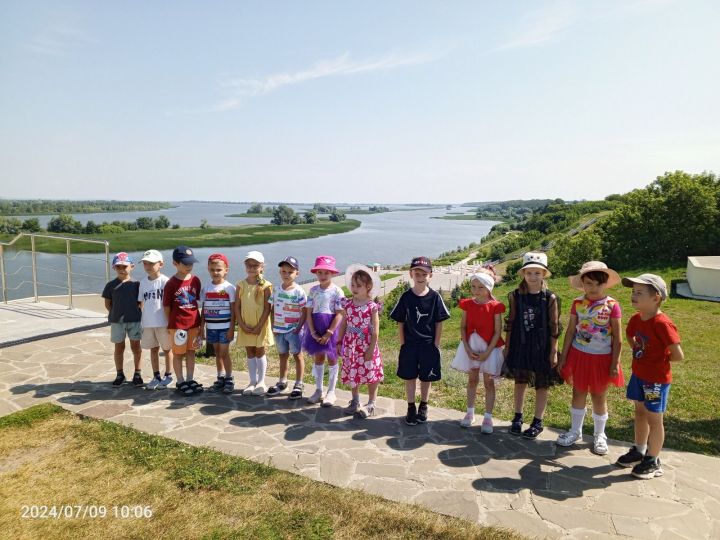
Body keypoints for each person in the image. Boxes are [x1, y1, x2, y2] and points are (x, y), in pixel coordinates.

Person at [616, 274, 683, 479]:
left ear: (656, 298)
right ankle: (640, 450)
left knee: (654, 419)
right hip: (639, 376)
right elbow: (629, 335)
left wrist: (657, 362)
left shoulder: (662, 323)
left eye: (639, 293)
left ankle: (653, 460)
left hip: (655, 382)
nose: (633, 296)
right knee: (639, 413)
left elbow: (678, 355)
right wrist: (639, 352)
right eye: (633, 292)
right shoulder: (637, 318)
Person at [556, 261, 624, 455]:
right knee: (578, 392)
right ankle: (575, 431)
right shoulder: (577, 303)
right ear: (582, 284)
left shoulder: (612, 306)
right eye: (588, 283)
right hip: (579, 356)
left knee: (598, 395)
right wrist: (564, 357)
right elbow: (570, 331)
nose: (593, 288)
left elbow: (618, 338)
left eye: (597, 284)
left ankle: (599, 434)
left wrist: (615, 362)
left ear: (605, 284)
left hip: (602, 358)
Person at [503, 252, 562, 439]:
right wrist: (507, 346)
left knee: (541, 384)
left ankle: (538, 421)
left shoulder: (550, 297)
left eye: (537, 273)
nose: (533, 277)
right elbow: (510, 322)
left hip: (542, 346)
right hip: (520, 344)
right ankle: (517, 417)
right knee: (519, 381)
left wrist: (553, 351)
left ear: (544, 274)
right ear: (523, 274)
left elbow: (555, 327)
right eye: (529, 273)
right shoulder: (515, 295)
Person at [390, 256, 450, 425]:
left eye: (424, 273)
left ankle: (423, 405)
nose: (420, 276)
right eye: (417, 272)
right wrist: (403, 343)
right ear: (411, 274)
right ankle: (410, 407)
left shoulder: (435, 297)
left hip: (428, 345)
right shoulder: (406, 297)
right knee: (409, 377)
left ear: (430, 275)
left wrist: (436, 344)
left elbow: (439, 321)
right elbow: (400, 320)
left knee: (426, 378)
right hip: (409, 345)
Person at [450, 268, 505, 433]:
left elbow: (497, 332)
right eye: (473, 287)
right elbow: (463, 326)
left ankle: (488, 417)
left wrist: (488, 352)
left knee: (489, 382)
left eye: (480, 287)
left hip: (489, 348)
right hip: (471, 347)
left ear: (489, 288)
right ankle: (469, 412)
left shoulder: (495, 307)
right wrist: (466, 347)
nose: (476, 291)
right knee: (472, 379)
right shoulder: (467, 305)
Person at [336, 264, 384, 418]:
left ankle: (371, 403)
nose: (354, 288)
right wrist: (339, 341)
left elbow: (376, 330)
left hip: (367, 345)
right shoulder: (348, 304)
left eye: (359, 286)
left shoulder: (372, 306)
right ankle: (355, 400)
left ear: (368, 287)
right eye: (352, 285)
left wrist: (371, 348)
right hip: (351, 345)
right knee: (352, 371)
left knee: (371, 373)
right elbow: (344, 323)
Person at [302, 255, 344, 406]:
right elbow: (308, 312)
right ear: (316, 273)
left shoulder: (337, 291)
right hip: (316, 327)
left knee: (332, 358)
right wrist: (312, 332)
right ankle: (318, 389)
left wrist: (330, 332)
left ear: (332, 274)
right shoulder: (313, 290)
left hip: (331, 328)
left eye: (326, 272)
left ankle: (331, 392)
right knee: (318, 358)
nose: (323, 276)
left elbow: (339, 313)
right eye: (320, 272)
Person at [163, 246, 203, 396]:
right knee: (178, 354)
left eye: (191, 263)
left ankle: (190, 379)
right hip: (177, 325)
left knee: (191, 352)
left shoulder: (196, 280)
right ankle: (180, 381)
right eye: (185, 263)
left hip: (193, 323)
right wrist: (170, 324)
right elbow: (166, 306)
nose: (189, 266)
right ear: (175, 263)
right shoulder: (171, 283)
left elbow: (196, 302)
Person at [267, 256, 307, 399]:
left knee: (297, 355)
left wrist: (299, 327)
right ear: (280, 272)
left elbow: (304, 311)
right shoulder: (276, 290)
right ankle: (282, 381)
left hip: (293, 330)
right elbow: (271, 308)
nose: (286, 274)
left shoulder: (299, 291)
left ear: (297, 273)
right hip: (279, 330)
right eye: (284, 271)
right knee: (282, 355)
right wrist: (273, 325)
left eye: (290, 272)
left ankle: (299, 383)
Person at [235, 250, 273, 396]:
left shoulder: (266, 286)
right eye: (249, 265)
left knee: (260, 351)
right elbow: (237, 307)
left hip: (260, 325)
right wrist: (241, 325)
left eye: (255, 265)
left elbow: (267, 308)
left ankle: (261, 381)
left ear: (261, 266)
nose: (251, 268)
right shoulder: (240, 285)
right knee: (249, 352)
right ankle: (252, 381)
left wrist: (258, 326)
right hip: (245, 324)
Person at [102, 252, 143, 387]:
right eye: (118, 266)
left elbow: (140, 303)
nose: (122, 269)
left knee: (136, 347)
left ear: (131, 266)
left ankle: (137, 373)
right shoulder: (110, 285)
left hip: (135, 320)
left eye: (124, 266)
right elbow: (108, 303)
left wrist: (135, 312)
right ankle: (120, 373)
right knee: (119, 347)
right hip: (117, 321)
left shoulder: (137, 284)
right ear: (114, 267)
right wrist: (115, 313)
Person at [137, 249, 173, 390]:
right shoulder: (143, 283)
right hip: (148, 323)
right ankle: (156, 375)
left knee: (167, 349)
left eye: (151, 263)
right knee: (153, 349)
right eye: (145, 263)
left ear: (161, 264)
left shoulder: (166, 281)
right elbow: (141, 302)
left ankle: (168, 374)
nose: (148, 266)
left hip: (163, 322)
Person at [200, 253, 236, 394]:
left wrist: (232, 328)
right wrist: (201, 326)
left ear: (226, 270)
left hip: (225, 326)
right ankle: (220, 377)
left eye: (219, 269)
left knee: (224, 353)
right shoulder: (207, 288)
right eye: (212, 269)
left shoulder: (229, 288)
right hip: (211, 326)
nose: (215, 272)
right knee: (216, 353)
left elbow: (233, 310)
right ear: (208, 269)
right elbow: (204, 309)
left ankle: (229, 377)